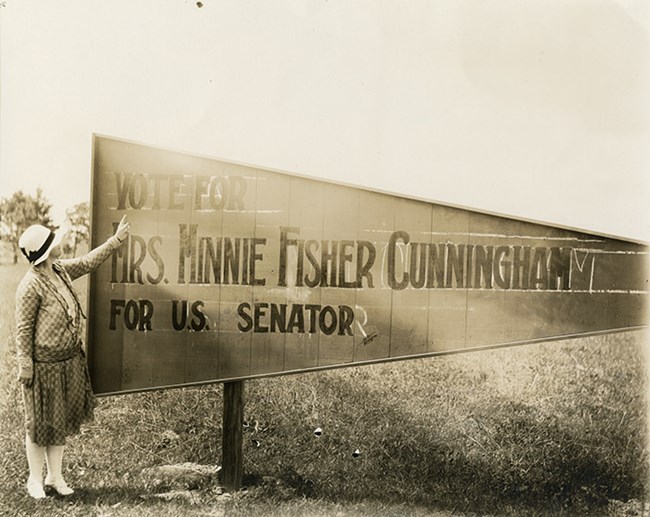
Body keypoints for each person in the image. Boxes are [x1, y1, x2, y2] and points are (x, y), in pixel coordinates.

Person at [14, 215, 130, 499]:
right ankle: (34, 480)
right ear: (44, 251)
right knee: (39, 423)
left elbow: (89, 261)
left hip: (68, 361)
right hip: (43, 366)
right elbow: (23, 330)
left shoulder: (60, 269)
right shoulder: (30, 286)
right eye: (53, 243)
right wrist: (26, 367)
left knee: (59, 420)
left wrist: (116, 240)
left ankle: (55, 476)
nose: (59, 244)